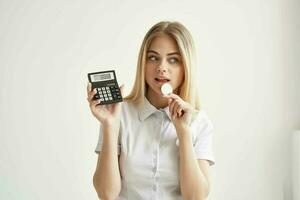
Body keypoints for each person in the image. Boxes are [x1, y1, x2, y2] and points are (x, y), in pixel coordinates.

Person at [87, 21, 216, 200]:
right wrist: (110, 125)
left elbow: (196, 197)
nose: (162, 67)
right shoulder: (118, 115)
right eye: (153, 57)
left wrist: (184, 133)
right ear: (143, 63)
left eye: (173, 59)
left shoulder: (198, 122)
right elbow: (106, 193)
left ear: (186, 67)